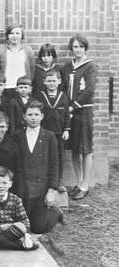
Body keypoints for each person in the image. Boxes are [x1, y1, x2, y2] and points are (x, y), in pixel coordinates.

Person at [13, 100, 63, 234]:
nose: (33, 118)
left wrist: (52, 190)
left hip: (42, 189)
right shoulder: (17, 136)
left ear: (42, 116)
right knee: (23, 227)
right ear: (24, 116)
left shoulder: (49, 136)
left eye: (36, 114)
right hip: (24, 189)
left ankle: (55, 213)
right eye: (30, 114)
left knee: (39, 228)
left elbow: (54, 164)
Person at [61, 34, 97, 200]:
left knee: (85, 149)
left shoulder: (90, 66)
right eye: (75, 47)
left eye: (81, 46)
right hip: (70, 112)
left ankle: (85, 184)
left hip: (83, 111)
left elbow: (89, 90)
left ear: (85, 48)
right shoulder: (67, 67)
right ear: (71, 49)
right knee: (75, 149)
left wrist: (74, 105)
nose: (78, 50)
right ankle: (78, 182)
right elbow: (63, 88)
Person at [37, 70, 70, 193]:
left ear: (59, 81)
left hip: (58, 133)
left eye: (54, 81)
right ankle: (45, 181)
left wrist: (66, 130)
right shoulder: (40, 96)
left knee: (58, 157)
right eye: (49, 81)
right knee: (44, 156)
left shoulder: (63, 96)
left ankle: (59, 181)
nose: (51, 83)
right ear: (44, 82)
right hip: (44, 133)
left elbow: (67, 114)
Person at [0, 23, 34, 100]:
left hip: (22, 88)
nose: (14, 36)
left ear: (22, 35)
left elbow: (31, 70)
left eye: (17, 33)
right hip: (6, 88)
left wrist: (27, 85)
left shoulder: (28, 50)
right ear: (7, 35)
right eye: (11, 33)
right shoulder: (0, 51)